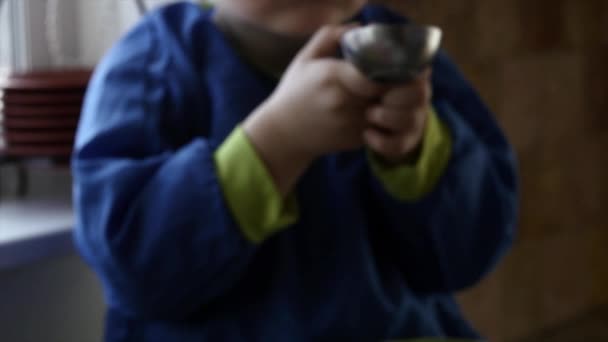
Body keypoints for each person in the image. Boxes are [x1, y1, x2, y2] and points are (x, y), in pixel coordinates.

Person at [72, 0, 518, 341]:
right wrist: (276, 143)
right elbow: (133, 266)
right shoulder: (151, 63)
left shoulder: (402, 51)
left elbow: (472, 252)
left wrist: (416, 153)